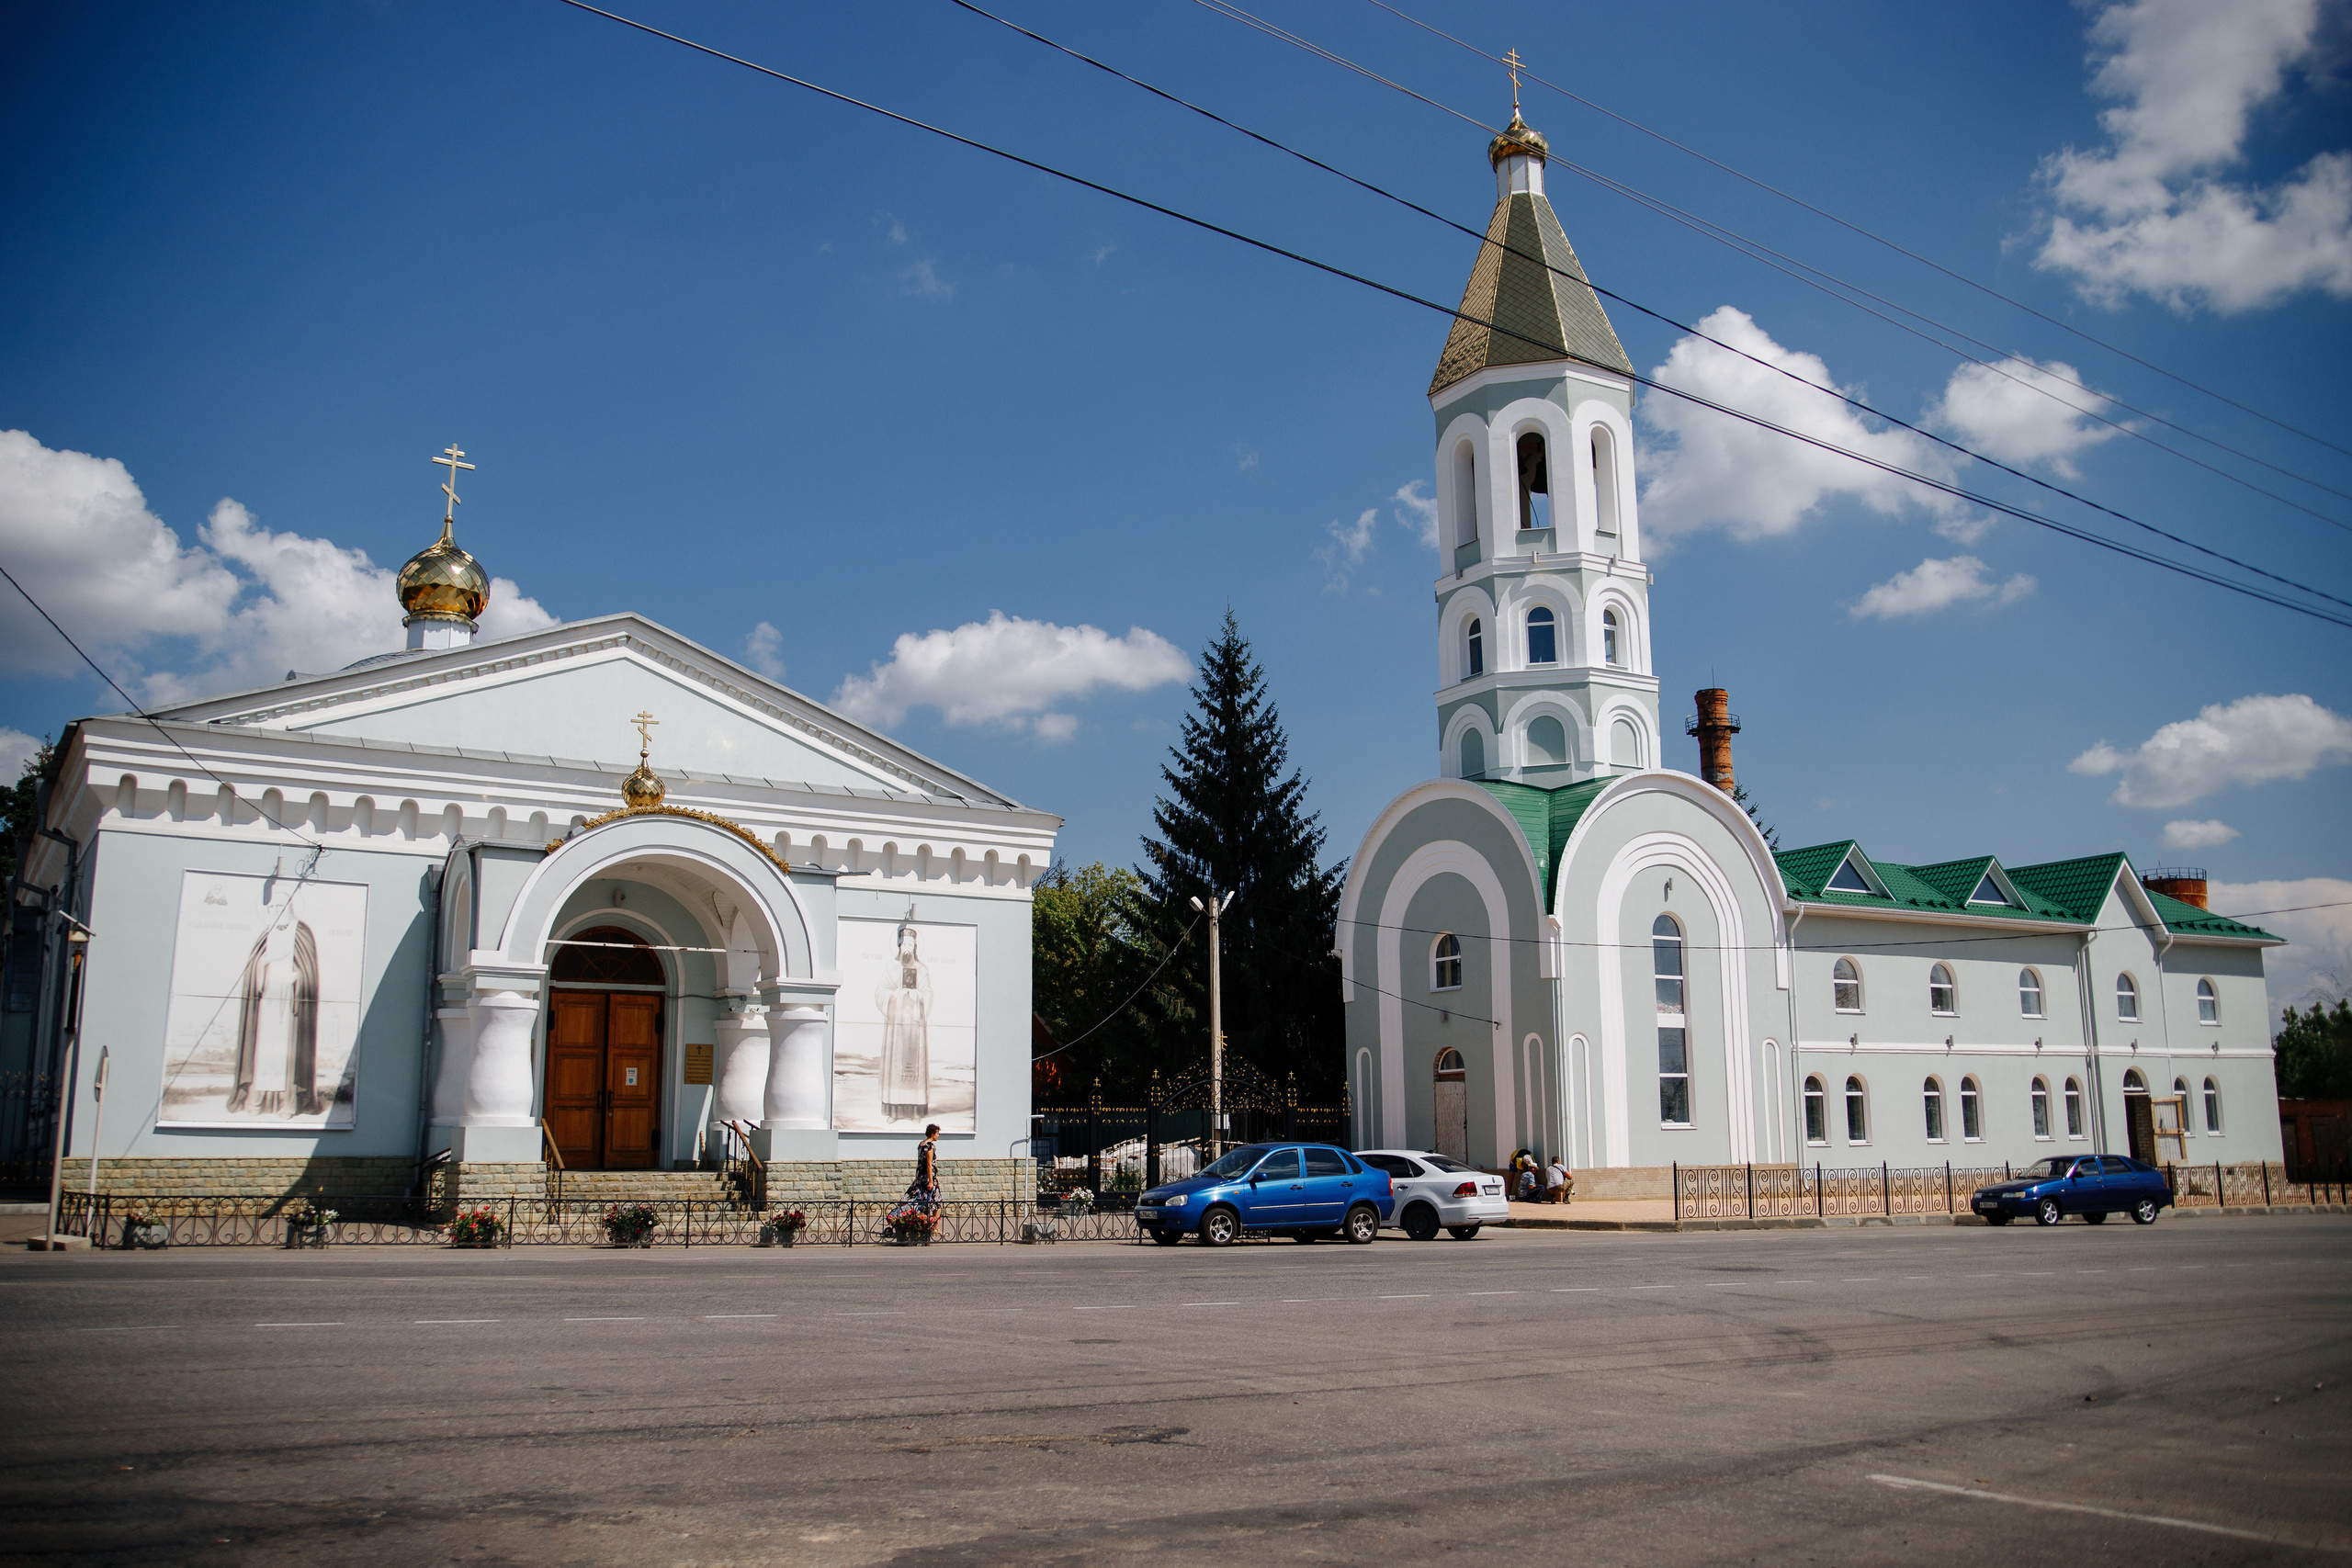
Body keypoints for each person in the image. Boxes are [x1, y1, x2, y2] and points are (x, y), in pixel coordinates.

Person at [910, 1122, 942, 1213]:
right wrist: (931, 1181)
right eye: (937, 1133)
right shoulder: (930, 1146)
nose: (938, 1136)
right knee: (936, 1203)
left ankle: (925, 1219)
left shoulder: (921, 1144)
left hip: (920, 1177)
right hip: (928, 1177)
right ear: (932, 1134)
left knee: (921, 1200)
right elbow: (929, 1164)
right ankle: (935, 1222)